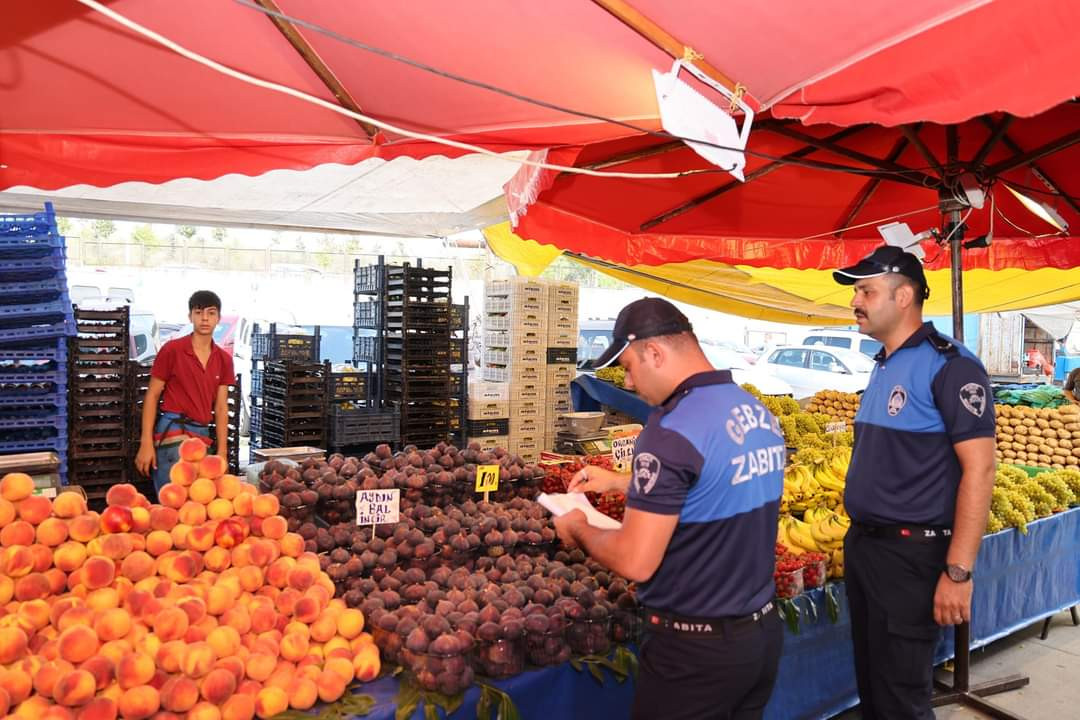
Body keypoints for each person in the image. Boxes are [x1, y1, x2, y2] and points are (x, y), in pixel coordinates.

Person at [553, 297, 785, 720]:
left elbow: (636, 561)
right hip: (761, 636)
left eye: (627, 367)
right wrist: (623, 482)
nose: (629, 383)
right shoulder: (754, 410)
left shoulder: (671, 428)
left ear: (654, 353)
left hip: (696, 651)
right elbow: (713, 483)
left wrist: (579, 528)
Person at [833, 246, 996, 719]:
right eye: (856, 292)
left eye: (866, 290)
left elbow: (980, 470)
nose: (855, 301)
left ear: (904, 295)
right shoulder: (884, 362)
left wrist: (958, 572)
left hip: (911, 558)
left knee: (901, 699)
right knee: (875, 690)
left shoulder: (951, 366)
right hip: (867, 550)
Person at [134, 291, 235, 497]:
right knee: (172, 504)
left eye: (211, 313)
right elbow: (152, 396)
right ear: (190, 316)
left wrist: (222, 452)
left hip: (202, 436)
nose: (205, 318)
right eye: (198, 312)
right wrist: (146, 443)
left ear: (218, 318)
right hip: (172, 435)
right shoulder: (172, 350)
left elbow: (222, 407)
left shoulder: (224, 359)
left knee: (199, 504)